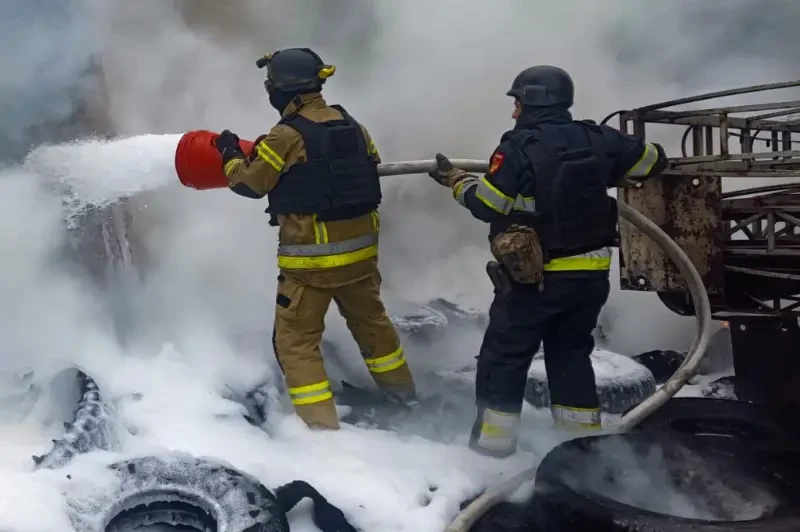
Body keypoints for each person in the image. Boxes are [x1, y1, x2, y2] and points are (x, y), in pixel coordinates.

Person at [428, 65, 668, 457]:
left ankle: (493, 447)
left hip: (536, 281)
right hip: (590, 278)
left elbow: (487, 205)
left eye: (516, 102)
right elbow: (654, 162)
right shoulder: (599, 138)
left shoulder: (517, 148)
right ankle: (577, 445)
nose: (513, 111)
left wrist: (456, 181)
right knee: (570, 354)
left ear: (530, 102)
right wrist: (611, 172)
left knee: (505, 355)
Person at [213, 47, 416, 430]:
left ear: (284, 91)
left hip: (312, 266)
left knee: (296, 343)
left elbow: (250, 183)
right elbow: (363, 169)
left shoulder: (286, 135)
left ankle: (322, 432)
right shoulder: (353, 126)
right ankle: (404, 398)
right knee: (375, 329)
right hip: (361, 260)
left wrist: (228, 153)